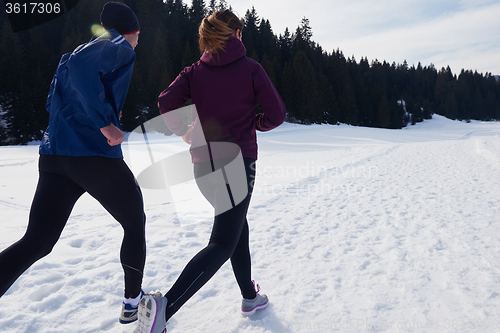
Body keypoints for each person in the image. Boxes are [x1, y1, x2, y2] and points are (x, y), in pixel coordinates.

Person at [133, 9, 286, 333]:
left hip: (203, 165)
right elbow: (276, 113)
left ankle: (249, 296)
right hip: (237, 164)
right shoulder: (250, 69)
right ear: (237, 34)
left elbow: (165, 103)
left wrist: (187, 129)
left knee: (234, 229)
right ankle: (166, 307)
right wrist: (254, 123)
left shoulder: (194, 72)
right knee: (222, 241)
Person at [0, 1, 145, 325]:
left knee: (38, 241)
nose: (139, 41)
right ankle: (133, 304)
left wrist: (104, 110)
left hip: (55, 157)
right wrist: (104, 123)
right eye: (138, 34)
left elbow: (56, 97)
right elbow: (82, 71)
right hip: (92, 156)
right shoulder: (118, 44)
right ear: (131, 30)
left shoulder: (79, 51)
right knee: (135, 222)